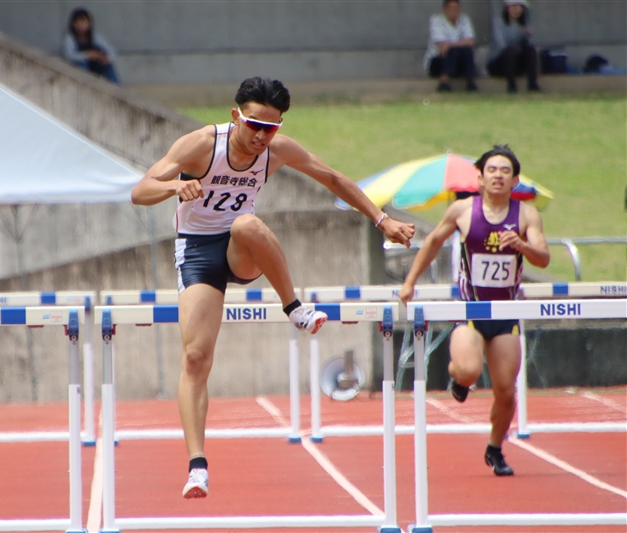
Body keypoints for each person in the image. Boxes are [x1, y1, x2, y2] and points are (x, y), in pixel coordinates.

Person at [131, 76, 416, 498]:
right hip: (196, 252)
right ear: (235, 117)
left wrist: (382, 220)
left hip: (241, 248)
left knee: (247, 222)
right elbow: (140, 191)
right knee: (194, 357)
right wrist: (175, 185)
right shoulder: (201, 144)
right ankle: (197, 467)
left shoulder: (277, 150)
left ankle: (295, 308)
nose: (262, 137)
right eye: (254, 126)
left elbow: (333, 179)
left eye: (272, 128)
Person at [399, 145, 550, 477]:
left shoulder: (526, 215)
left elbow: (543, 258)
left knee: (506, 390)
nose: (498, 176)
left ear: (515, 179)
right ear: (480, 178)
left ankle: (495, 449)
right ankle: (459, 379)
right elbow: (432, 243)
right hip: (470, 309)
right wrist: (410, 282)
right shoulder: (462, 211)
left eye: (505, 171)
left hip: (506, 314)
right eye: (492, 170)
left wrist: (522, 246)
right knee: (467, 370)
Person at [424, 0, 479, 92]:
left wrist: (451, 44)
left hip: (458, 61)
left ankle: (471, 83)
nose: (454, 12)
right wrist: (459, 43)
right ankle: (443, 83)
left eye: (456, 9)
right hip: (438, 61)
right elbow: (442, 45)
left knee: (466, 50)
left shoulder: (464, 19)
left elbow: (470, 41)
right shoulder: (436, 20)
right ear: (444, 9)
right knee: (452, 52)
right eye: (451, 9)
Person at [487, 0, 540, 93]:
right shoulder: (498, 22)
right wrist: (519, 33)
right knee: (510, 52)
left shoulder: (524, 22)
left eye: (519, 6)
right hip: (499, 63)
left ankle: (533, 85)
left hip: (516, 63)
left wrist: (527, 35)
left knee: (531, 50)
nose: (516, 9)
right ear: (506, 8)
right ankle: (511, 86)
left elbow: (528, 45)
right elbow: (501, 45)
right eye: (512, 6)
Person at [63, 7, 120, 85]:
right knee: (82, 63)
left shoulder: (95, 36)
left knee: (108, 66)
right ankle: (85, 85)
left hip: (95, 66)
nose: (81, 25)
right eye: (77, 23)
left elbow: (111, 50)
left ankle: (117, 89)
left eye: (83, 22)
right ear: (73, 24)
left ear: (89, 23)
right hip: (78, 68)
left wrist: (106, 58)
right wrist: (87, 55)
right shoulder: (70, 38)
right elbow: (69, 56)